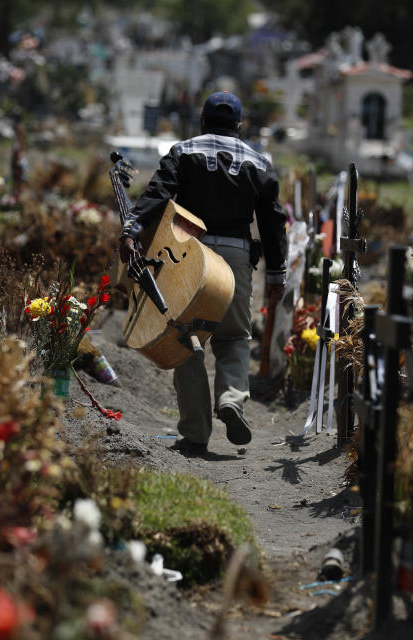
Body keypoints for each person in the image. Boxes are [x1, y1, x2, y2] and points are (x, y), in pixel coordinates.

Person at [118, 90, 288, 453]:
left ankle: (195, 433)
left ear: (202, 121)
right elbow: (273, 221)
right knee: (234, 337)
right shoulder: (259, 161)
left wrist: (132, 229)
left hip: (190, 254)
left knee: (186, 336)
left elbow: (158, 194)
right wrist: (277, 274)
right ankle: (230, 397)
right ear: (239, 126)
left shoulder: (183, 151)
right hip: (236, 256)